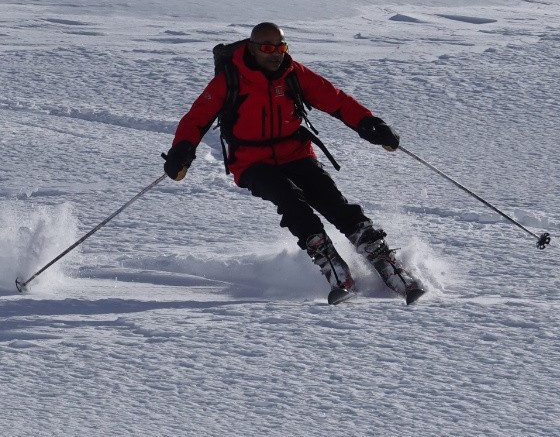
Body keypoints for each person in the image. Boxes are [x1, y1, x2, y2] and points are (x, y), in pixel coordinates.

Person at [162, 22, 424, 304]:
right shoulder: (230, 79)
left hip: (295, 153)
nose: (275, 53)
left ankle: (388, 263)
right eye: (267, 48)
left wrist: (369, 123)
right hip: (252, 162)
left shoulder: (293, 73)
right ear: (252, 48)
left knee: (334, 203)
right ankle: (332, 265)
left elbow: (335, 100)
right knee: (292, 203)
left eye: (281, 47)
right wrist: (181, 151)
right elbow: (197, 118)